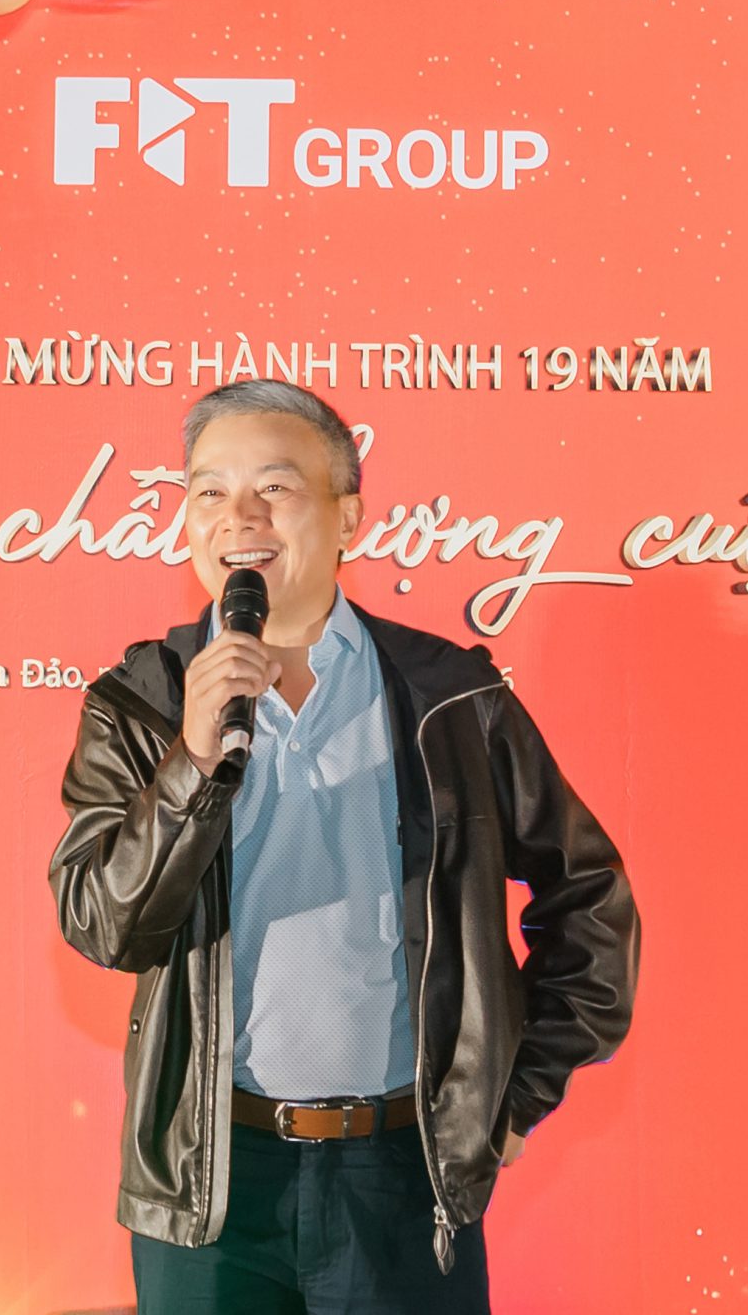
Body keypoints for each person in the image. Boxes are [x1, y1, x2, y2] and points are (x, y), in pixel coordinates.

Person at [48, 380, 639, 1315]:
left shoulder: (452, 697)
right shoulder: (142, 701)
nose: (238, 518)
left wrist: (512, 1096)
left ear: (348, 516)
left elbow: (589, 895)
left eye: (274, 488)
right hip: (211, 1185)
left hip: (402, 1178)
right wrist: (191, 760)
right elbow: (104, 926)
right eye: (209, 491)